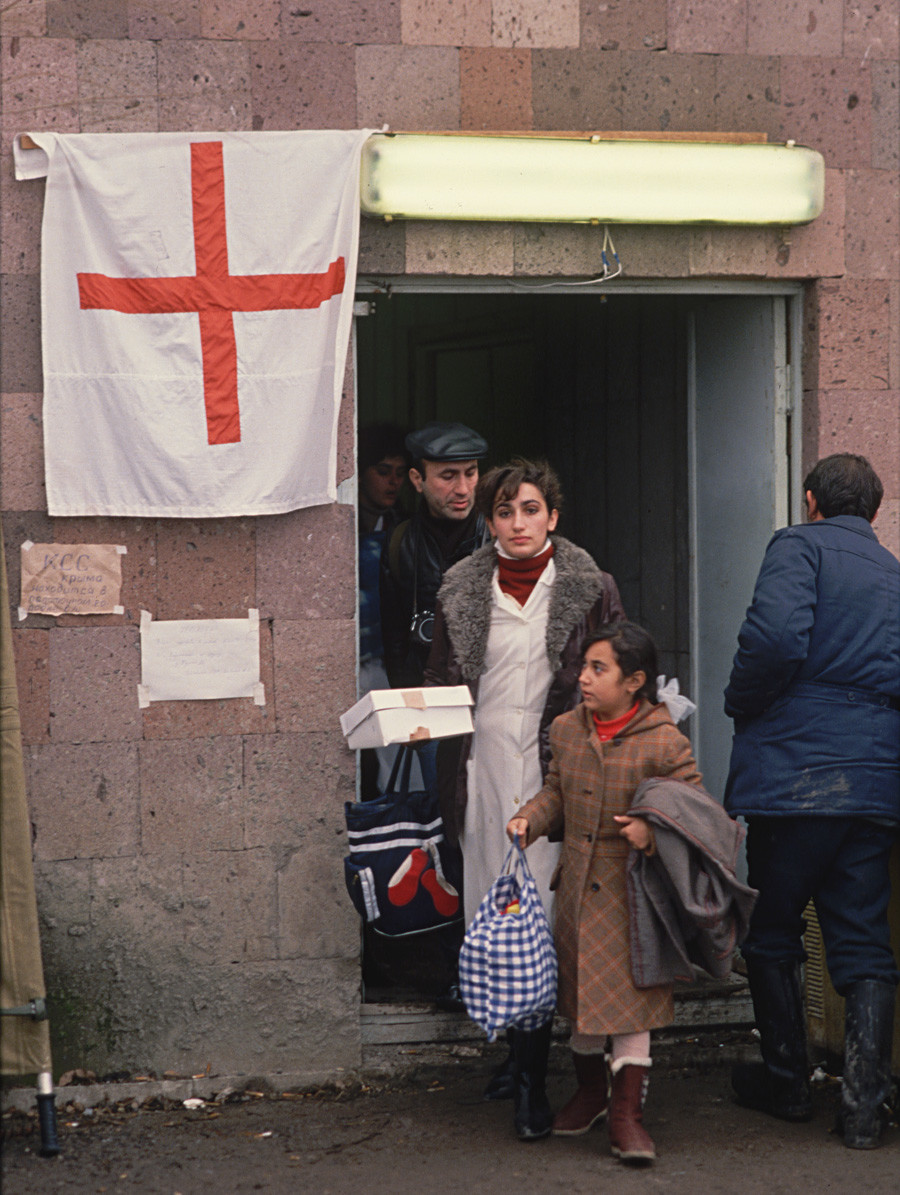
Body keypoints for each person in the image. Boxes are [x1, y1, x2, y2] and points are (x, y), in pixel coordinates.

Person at [425, 458, 625, 1136]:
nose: (517, 524)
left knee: (538, 917)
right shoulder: (460, 586)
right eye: (505, 512)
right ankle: (517, 1058)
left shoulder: (588, 587)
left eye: (530, 509)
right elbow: (441, 687)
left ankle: (534, 1087)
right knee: (492, 915)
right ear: (490, 521)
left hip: (553, 776)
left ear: (553, 516)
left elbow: (621, 678)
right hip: (479, 774)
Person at [723, 452, 900, 1149]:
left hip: (796, 775)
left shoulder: (798, 546)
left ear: (810, 500)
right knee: (863, 940)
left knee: (770, 928)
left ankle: (787, 1080)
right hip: (875, 778)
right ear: (875, 512)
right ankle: (863, 1105)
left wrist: (743, 704)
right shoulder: (893, 572)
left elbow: (772, 639)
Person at [506, 621, 703, 1161]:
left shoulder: (665, 742)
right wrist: (530, 818)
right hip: (575, 887)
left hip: (635, 895)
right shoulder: (568, 730)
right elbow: (555, 792)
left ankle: (627, 1116)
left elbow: (696, 811)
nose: (585, 679)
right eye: (584, 667)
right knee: (581, 1000)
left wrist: (651, 830)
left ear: (634, 681)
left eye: (599, 669)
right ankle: (592, 1092)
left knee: (631, 1003)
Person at [380, 421, 489, 691]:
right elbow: (395, 644)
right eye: (448, 476)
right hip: (426, 699)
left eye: (471, 473)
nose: (463, 489)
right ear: (418, 480)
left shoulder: (499, 536)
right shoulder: (399, 542)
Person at [357, 424, 410, 797]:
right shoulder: (339, 524)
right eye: (382, 471)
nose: (392, 482)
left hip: (387, 660)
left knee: (395, 762)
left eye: (399, 473)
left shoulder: (405, 528)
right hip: (346, 657)